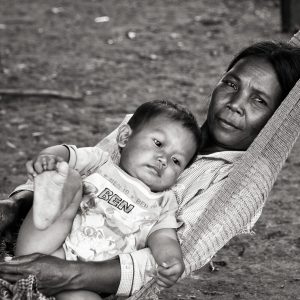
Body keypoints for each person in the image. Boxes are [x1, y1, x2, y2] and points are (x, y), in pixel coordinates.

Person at [1, 41, 300, 299]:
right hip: (55, 235)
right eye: (231, 84)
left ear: (275, 119)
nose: (235, 104)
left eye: (259, 100)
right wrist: (18, 202)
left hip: (95, 275)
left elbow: (174, 253)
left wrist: (71, 274)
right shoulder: (156, 127)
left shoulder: (240, 186)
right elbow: (83, 166)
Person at [15, 100, 200, 299]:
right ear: (124, 137)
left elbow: (164, 237)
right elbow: (67, 153)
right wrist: (48, 158)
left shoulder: (163, 202)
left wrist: (171, 259)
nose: (163, 159)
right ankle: (52, 190)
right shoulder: (100, 162)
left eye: (176, 161)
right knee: (69, 178)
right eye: (158, 143)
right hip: (47, 248)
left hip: (88, 283)